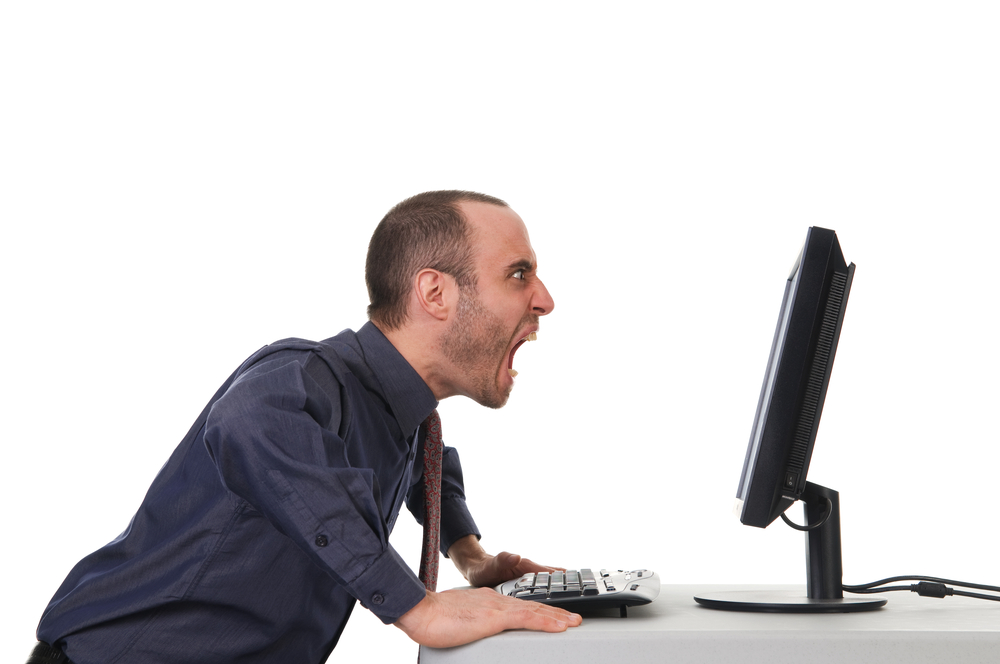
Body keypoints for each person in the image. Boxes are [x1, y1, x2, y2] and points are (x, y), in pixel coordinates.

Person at [30, 191, 580, 664]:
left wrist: (472, 557)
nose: (545, 299)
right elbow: (248, 424)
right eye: (518, 273)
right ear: (435, 293)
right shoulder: (307, 376)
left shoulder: (407, 417)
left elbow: (427, 467)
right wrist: (418, 609)